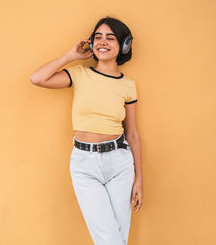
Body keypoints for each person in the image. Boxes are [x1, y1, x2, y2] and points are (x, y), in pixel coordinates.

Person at [29, 16, 143, 245]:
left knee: (118, 237)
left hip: (120, 163)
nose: (103, 41)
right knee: (109, 240)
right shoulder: (79, 75)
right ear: (91, 44)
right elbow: (37, 78)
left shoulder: (128, 85)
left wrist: (139, 178)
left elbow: (132, 134)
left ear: (123, 45)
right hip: (85, 164)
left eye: (110, 38)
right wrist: (71, 56)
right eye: (97, 37)